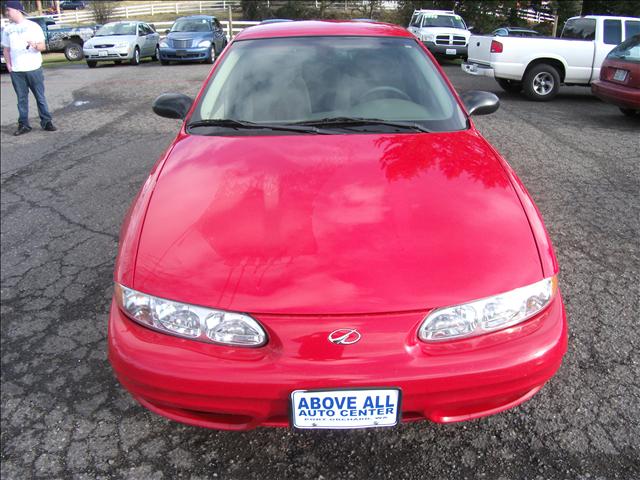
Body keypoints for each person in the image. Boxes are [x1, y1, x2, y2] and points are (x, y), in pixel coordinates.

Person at [1, 0, 57, 136]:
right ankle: (24, 125)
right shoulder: (8, 30)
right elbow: (6, 50)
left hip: (33, 68)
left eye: (8, 10)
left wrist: (35, 45)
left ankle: (46, 121)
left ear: (16, 10)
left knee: (40, 97)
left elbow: (42, 47)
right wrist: (9, 65)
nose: (7, 13)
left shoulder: (33, 26)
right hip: (17, 71)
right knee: (21, 99)